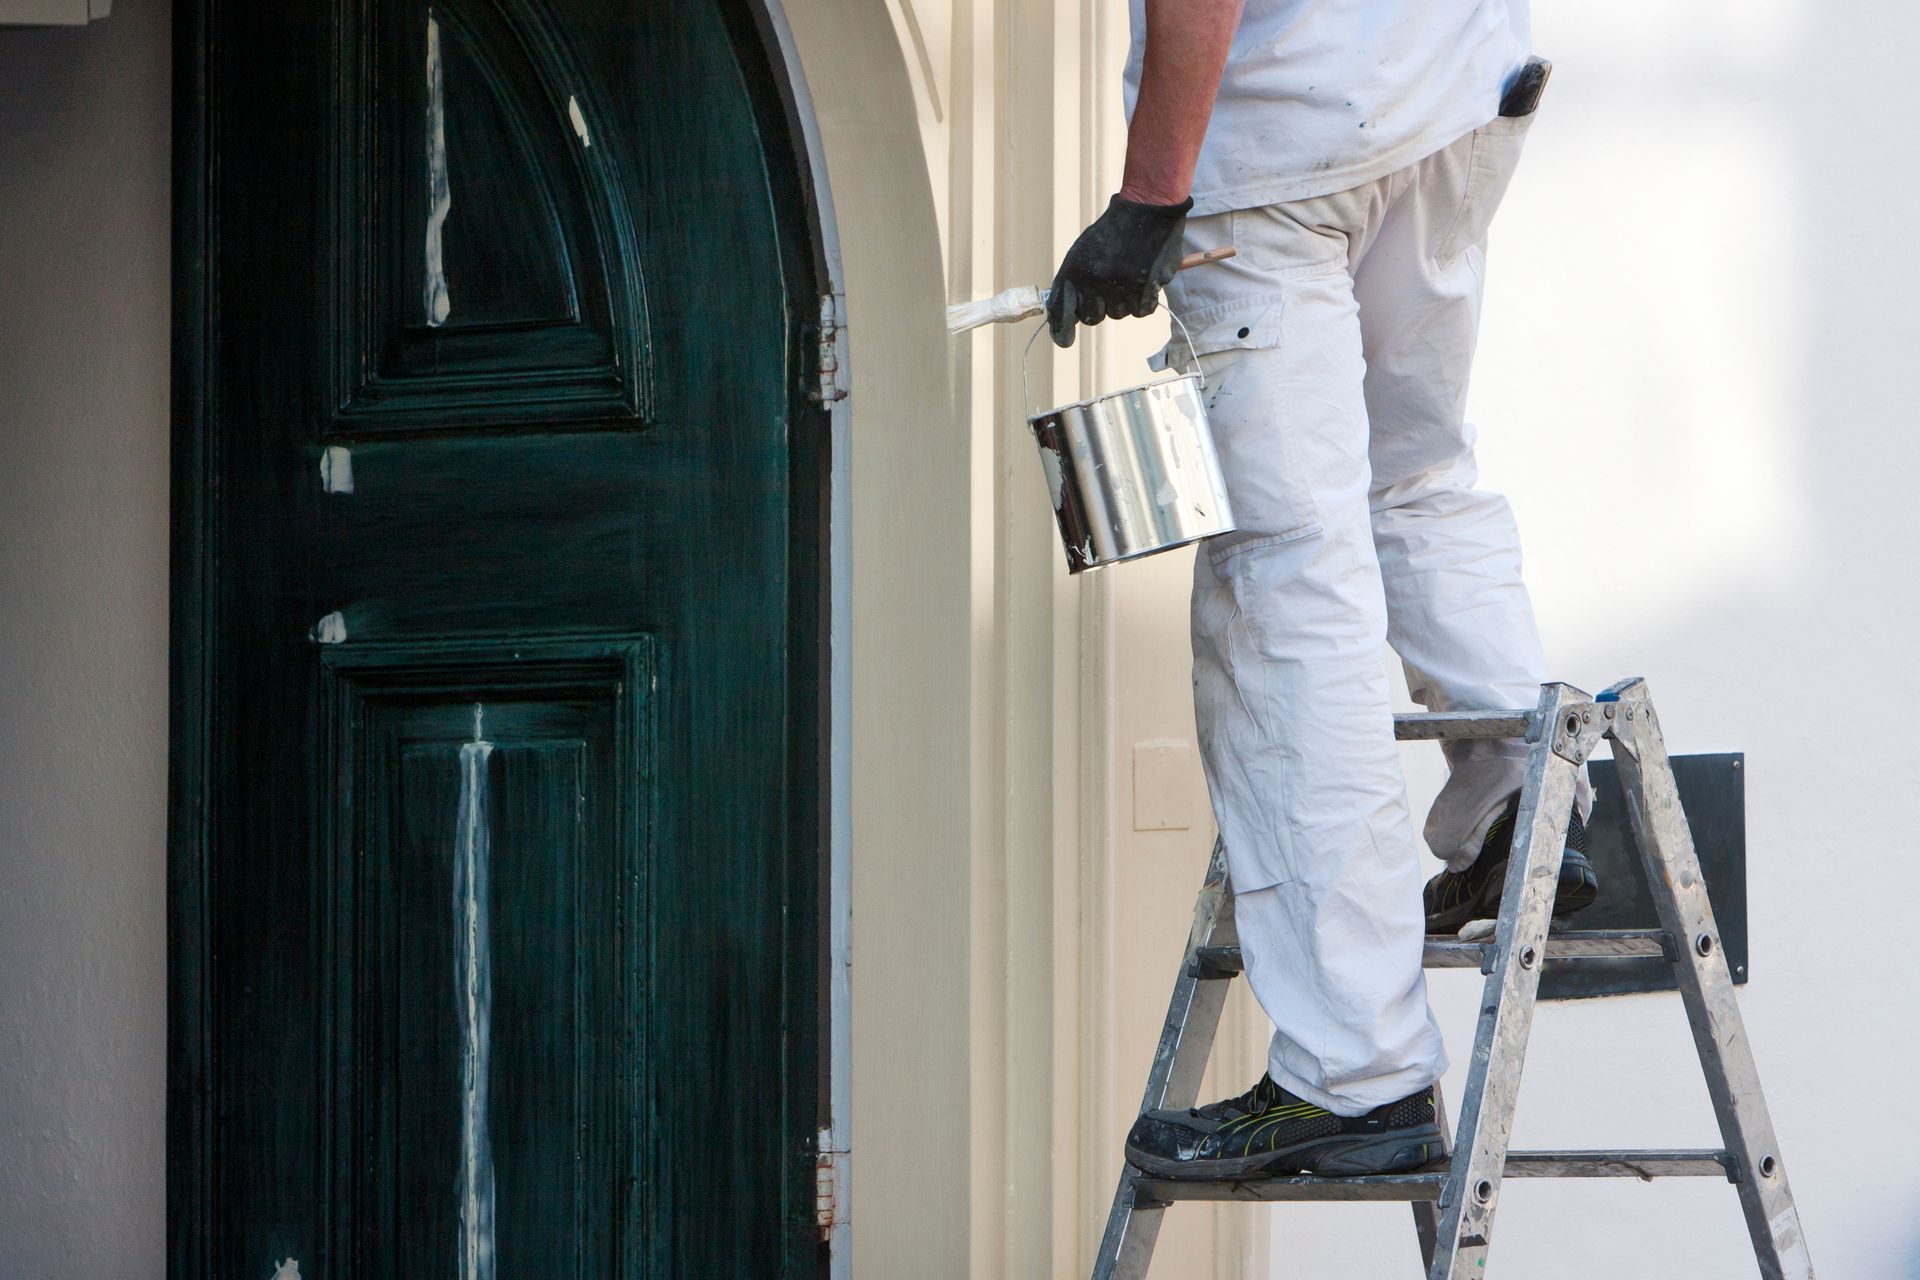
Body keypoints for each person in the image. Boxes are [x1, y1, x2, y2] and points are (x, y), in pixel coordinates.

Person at [1047, 0, 1597, 1180]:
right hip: (1451, 96)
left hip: (1283, 146)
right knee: (1418, 474)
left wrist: (1149, 199)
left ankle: (1355, 1066)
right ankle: (1521, 811)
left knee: (1287, 582)